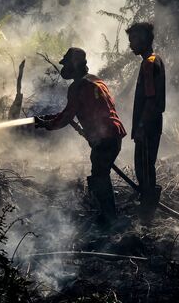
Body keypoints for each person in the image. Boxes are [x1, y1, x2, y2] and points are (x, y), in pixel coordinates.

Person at [35, 47, 126, 225]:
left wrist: (48, 124)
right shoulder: (95, 80)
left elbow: (67, 116)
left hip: (105, 137)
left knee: (100, 177)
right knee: (100, 174)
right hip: (113, 135)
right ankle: (107, 215)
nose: (64, 69)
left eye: (67, 64)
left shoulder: (79, 86)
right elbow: (71, 113)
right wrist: (49, 119)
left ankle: (110, 220)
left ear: (76, 64)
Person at [126, 22, 166, 220]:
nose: (130, 45)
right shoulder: (153, 60)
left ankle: (148, 211)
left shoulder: (149, 63)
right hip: (152, 123)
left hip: (148, 125)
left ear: (142, 39)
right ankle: (147, 205)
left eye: (132, 40)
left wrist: (141, 126)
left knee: (144, 167)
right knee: (145, 165)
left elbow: (151, 99)